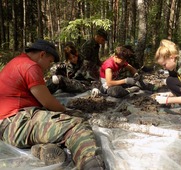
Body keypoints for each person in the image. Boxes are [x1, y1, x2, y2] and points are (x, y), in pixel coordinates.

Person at [0, 39, 105, 169]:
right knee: (76, 125)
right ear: (42, 54)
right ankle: (90, 163)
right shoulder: (30, 66)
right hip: (18, 123)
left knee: (57, 130)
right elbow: (48, 101)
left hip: (8, 129)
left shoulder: (17, 62)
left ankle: (41, 149)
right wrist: (66, 110)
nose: (49, 66)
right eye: (49, 61)